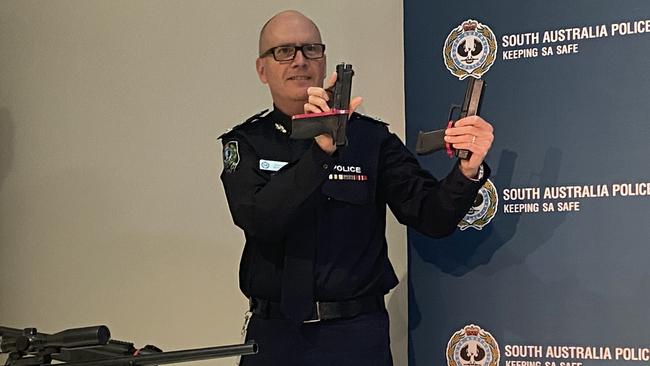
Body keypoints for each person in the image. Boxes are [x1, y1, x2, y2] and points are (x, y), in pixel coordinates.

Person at [219, 10, 494, 366]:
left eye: (311, 49)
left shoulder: (369, 138)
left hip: (354, 337)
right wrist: (319, 152)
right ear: (262, 69)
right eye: (284, 51)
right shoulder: (247, 143)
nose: (300, 60)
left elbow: (431, 216)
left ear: (324, 59)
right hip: (275, 338)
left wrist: (467, 170)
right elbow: (259, 218)